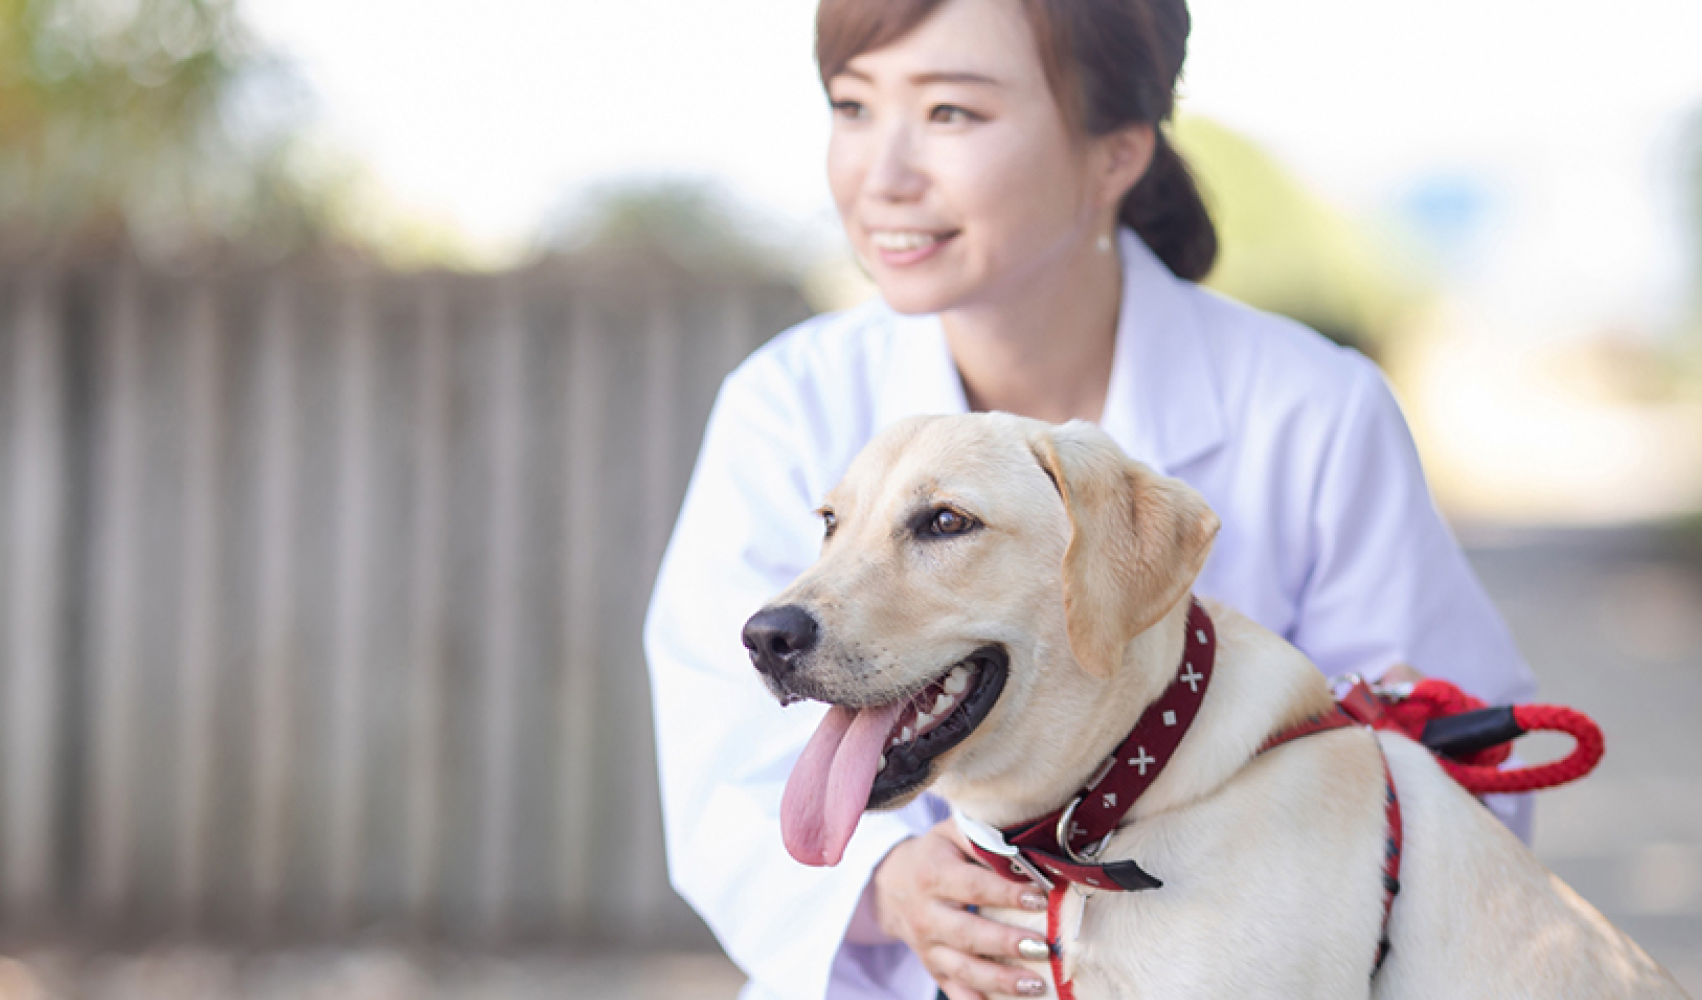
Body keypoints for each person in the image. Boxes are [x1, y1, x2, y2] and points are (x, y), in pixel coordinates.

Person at [641, 0, 1539, 998]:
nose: (880, 173)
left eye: (950, 113)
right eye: (852, 107)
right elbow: (718, 737)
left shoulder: (1312, 408)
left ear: (1116, 152)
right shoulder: (790, 401)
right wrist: (886, 885)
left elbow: (1460, 788)